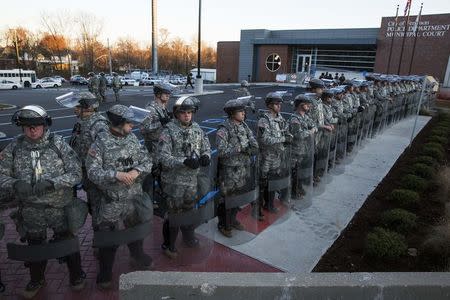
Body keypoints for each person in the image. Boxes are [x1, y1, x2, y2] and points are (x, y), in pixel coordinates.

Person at [0, 105, 86, 298]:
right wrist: (14, 183)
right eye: (27, 126)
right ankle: (37, 279)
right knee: (35, 246)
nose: (32, 130)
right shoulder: (15, 147)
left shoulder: (59, 144)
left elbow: (76, 172)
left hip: (59, 207)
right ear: (21, 127)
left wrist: (52, 183)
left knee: (68, 242)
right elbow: (1, 174)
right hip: (31, 210)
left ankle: (76, 275)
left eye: (37, 125)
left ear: (45, 125)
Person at [86, 104, 153, 289]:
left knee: (135, 230)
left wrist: (136, 170)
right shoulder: (99, 143)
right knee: (108, 238)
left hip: (133, 198)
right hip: (111, 201)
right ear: (118, 123)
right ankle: (105, 271)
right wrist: (115, 175)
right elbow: (92, 172)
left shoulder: (132, 139)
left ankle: (137, 256)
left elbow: (147, 160)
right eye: (129, 122)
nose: (133, 125)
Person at [158, 96, 211, 258]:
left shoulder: (197, 129)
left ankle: (188, 237)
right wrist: (183, 161)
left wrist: (206, 156)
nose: (187, 115)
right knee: (174, 214)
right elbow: (162, 156)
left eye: (189, 112)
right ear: (176, 114)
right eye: (183, 113)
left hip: (192, 181)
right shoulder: (168, 131)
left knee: (189, 211)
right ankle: (168, 244)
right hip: (174, 182)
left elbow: (206, 147)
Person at [60, 92, 109, 228]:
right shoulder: (82, 121)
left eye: (77, 106)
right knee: (93, 205)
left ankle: (102, 240)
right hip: (85, 172)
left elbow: (106, 151)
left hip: (95, 175)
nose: (74, 109)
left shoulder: (98, 124)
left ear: (86, 107)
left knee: (98, 207)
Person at [216, 98, 258, 237]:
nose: (243, 114)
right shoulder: (224, 129)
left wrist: (253, 148)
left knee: (239, 196)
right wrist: (240, 148)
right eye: (240, 111)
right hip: (229, 170)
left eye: (243, 111)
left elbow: (253, 142)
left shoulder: (244, 126)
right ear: (232, 113)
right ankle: (223, 224)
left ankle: (233, 220)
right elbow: (222, 151)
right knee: (227, 198)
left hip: (243, 167)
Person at [256, 92, 291, 219]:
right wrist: (282, 139)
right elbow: (264, 139)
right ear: (269, 105)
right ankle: (258, 209)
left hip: (277, 156)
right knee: (262, 183)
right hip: (266, 157)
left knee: (273, 182)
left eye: (279, 104)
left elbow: (287, 132)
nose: (279, 106)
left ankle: (269, 204)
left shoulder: (281, 118)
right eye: (276, 104)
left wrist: (289, 138)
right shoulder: (263, 120)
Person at [141, 83, 173, 197]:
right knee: (152, 172)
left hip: (161, 144)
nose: (168, 96)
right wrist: (161, 122)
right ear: (158, 94)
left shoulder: (163, 107)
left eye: (169, 93)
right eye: (166, 93)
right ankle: (149, 198)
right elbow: (144, 129)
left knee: (161, 170)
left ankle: (161, 192)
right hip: (153, 146)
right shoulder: (151, 109)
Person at [289, 94, 317, 199]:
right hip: (296, 151)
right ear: (301, 105)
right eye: (307, 104)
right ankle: (293, 192)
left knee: (301, 171)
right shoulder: (295, 119)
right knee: (295, 172)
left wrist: (312, 130)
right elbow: (298, 135)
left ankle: (299, 188)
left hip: (304, 149)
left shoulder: (305, 116)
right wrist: (310, 131)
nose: (309, 106)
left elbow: (314, 125)